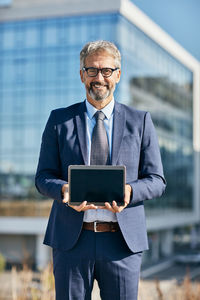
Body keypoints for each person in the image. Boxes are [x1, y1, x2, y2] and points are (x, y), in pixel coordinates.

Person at [35, 40, 166, 300]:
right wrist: (63, 190)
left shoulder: (140, 121)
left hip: (122, 243)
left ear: (118, 74)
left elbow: (157, 180)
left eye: (106, 70)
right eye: (92, 70)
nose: (99, 78)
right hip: (72, 241)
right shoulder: (59, 120)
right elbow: (42, 177)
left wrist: (130, 190)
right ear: (82, 74)